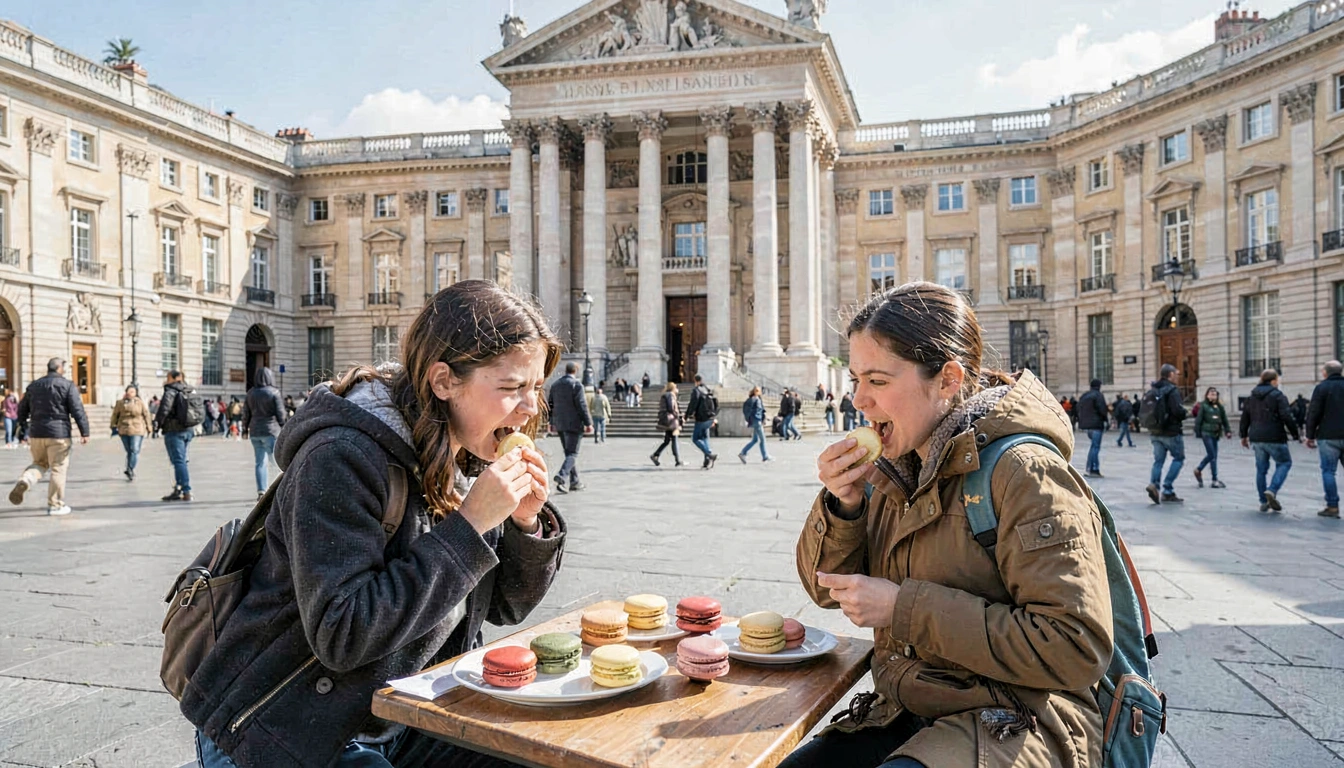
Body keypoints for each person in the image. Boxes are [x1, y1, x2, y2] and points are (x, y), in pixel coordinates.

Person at [187, 279, 566, 768]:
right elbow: (342, 635)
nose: (532, 408)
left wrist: (525, 524)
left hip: (404, 713)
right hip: (289, 729)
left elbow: (505, 608)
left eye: (536, 387)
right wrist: (470, 526)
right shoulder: (341, 457)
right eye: (513, 388)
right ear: (444, 381)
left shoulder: (463, 458)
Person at [783, 282, 1112, 768]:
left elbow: (1075, 646)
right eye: (855, 379)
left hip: (1021, 719)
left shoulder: (1024, 471)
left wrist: (903, 608)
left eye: (877, 381)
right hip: (907, 708)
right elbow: (824, 590)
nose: (858, 400)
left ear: (948, 379)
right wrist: (844, 504)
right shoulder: (895, 471)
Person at [8, 358, 90, 516]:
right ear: (59, 368)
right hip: (59, 434)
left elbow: (22, 410)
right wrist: (84, 431)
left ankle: (26, 479)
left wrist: (24, 429)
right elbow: (77, 409)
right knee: (58, 468)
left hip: (37, 433)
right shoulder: (67, 385)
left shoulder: (34, 386)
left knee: (39, 463)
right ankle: (55, 504)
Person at [1240, 369, 1300, 514]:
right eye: (1277, 380)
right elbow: (1287, 416)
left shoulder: (1251, 396)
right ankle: (1272, 490)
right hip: (1275, 436)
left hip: (1256, 437)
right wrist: (1295, 434)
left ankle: (1263, 501)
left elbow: (1245, 418)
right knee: (1284, 463)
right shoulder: (1278, 395)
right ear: (1273, 381)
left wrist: (1243, 435)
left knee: (1261, 470)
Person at [1145, 364, 1189, 505]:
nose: (1177, 377)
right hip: (1171, 431)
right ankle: (1167, 489)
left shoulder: (1153, 389)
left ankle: (1154, 484)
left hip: (1155, 431)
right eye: (1176, 374)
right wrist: (1184, 413)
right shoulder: (1172, 390)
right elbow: (1177, 410)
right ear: (1170, 375)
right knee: (1178, 458)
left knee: (1158, 461)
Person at [1305, 360, 1344, 518]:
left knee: (1329, 471)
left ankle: (1332, 506)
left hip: (1328, 436)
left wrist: (1310, 435)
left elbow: (1313, 413)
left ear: (1325, 372)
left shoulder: (1321, 388)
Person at [155, 370, 201, 502]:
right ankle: (179, 488)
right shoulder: (189, 389)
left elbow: (165, 409)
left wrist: (158, 424)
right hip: (188, 429)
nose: (166, 379)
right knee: (181, 460)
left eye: (168, 377)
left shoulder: (171, 390)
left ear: (173, 378)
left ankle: (186, 490)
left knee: (179, 461)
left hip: (174, 430)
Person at [546, 362, 592, 493]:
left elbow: (550, 405)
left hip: (560, 424)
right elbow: (582, 405)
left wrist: (551, 422)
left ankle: (575, 482)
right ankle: (562, 476)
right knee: (572, 453)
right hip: (574, 424)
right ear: (575, 371)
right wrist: (588, 423)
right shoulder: (577, 385)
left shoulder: (555, 385)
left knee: (568, 454)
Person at [243, 366, 287, 498]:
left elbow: (246, 413)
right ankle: (277, 491)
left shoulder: (250, 393)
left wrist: (245, 429)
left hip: (255, 431)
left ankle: (261, 490)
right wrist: (284, 427)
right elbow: (280, 413)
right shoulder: (274, 392)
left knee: (260, 462)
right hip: (271, 430)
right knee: (276, 462)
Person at [1192, 387, 1231, 489]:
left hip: (1216, 433)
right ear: (1207, 395)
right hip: (1206, 433)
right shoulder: (1203, 406)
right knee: (1212, 454)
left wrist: (1228, 431)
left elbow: (1224, 419)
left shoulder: (1219, 407)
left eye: (1215, 394)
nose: (1213, 396)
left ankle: (1214, 479)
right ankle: (1199, 469)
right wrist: (1198, 432)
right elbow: (1198, 420)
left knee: (1214, 457)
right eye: (1211, 394)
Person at [110, 385, 152, 481]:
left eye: (133, 391)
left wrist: (149, 427)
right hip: (124, 429)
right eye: (129, 391)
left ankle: (130, 468)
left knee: (134, 449)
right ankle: (129, 468)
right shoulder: (120, 403)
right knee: (129, 451)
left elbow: (146, 414)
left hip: (137, 429)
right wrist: (113, 425)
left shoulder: (139, 402)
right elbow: (115, 415)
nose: (131, 393)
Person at [1076, 378, 1109, 478]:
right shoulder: (1098, 395)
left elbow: (1078, 409)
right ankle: (1094, 469)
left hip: (1087, 426)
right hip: (1096, 425)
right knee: (1095, 447)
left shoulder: (1084, 396)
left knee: (1093, 447)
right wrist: (1106, 420)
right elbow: (1102, 409)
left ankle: (1089, 467)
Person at [686, 374, 719, 469]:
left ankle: (709, 454)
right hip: (710, 417)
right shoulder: (708, 390)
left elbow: (693, 403)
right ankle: (707, 461)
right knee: (705, 438)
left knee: (695, 439)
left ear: (695, 381)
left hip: (702, 418)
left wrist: (687, 415)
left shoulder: (696, 390)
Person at [650, 382, 683, 467]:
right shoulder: (670, 395)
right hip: (672, 421)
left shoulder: (666, 395)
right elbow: (671, 407)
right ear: (673, 388)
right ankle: (678, 460)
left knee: (667, 440)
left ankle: (655, 455)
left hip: (667, 420)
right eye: (676, 387)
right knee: (674, 439)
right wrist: (678, 416)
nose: (677, 389)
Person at [738, 386, 771, 463]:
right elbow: (752, 411)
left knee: (755, 440)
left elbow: (761, 410)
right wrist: (755, 418)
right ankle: (765, 456)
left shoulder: (757, 399)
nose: (759, 392)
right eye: (757, 390)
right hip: (757, 421)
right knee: (762, 439)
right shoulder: (754, 399)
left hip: (757, 420)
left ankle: (743, 452)